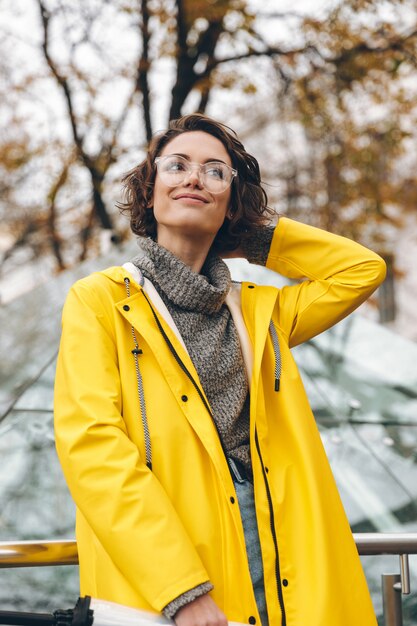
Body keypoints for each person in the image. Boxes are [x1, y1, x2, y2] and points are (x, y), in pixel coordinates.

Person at [54, 113, 386, 626]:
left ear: (231, 201)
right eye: (177, 166)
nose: (193, 178)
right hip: (177, 569)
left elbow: (361, 270)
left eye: (215, 172)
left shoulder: (261, 312)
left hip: (282, 558)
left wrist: (254, 239)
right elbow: (93, 448)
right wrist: (182, 590)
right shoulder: (100, 300)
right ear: (150, 193)